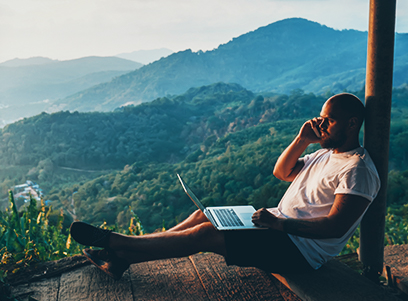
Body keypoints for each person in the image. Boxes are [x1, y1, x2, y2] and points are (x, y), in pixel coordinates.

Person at [70, 93, 380, 279]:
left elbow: (335, 227)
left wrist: (281, 224)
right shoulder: (325, 153)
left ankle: (119, 243)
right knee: (203, 217)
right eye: (321, 119)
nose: (322, 126)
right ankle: (122, 257)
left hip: (300, 252)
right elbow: (282, 172)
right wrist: (301, 139)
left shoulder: (358, 169)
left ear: (352, 124)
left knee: (208, 234)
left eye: (330, 121)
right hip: (275, 226)